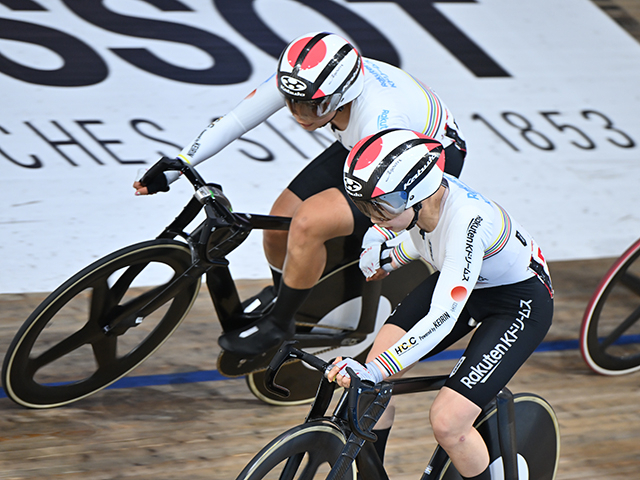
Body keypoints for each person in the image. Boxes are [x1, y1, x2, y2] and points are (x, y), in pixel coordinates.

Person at [133, 32, 467, 357]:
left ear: (341, 95)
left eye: (312, 108)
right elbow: (236, 120)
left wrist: (380, 240)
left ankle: (281, 323)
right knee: (280, 219)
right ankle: (288, 294)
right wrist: (179, 163)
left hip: (419, 158)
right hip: (366, 148)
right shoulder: (308, 77)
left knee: (308, 223)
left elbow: (391, 200)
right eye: (293, 104)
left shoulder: (380, 116)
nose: (300, 116)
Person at [328, 129, 553, 480]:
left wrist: (377, 370)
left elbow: (443, 316)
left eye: (380, 206)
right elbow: (424, 239)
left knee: (448, 422)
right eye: (364, 206)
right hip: (467, 279)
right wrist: (387, 253)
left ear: (415, 195)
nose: (373, 216)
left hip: (518, 302)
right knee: (367, 390)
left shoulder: (466, 220)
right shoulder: (424, 199)